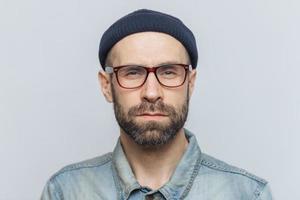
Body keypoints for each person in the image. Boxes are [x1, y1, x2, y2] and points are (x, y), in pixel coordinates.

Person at [41, 9, 273, 200]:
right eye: (132, 72)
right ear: (106, 85)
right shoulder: (65, 192)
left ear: (190, 84)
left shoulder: (247, 194)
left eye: (169, 72)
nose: (151, 93)